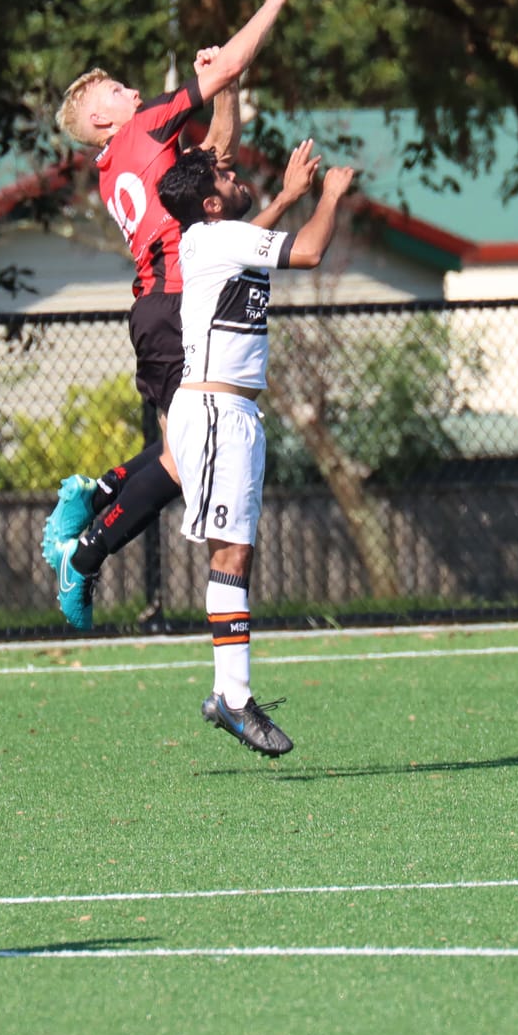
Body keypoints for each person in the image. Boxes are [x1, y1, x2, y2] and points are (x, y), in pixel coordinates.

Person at [58, 144, 352, 755]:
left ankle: (230, 693)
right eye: (224, 175)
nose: (235, 173)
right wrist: (327, 198)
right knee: (231, 555)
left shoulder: (210, 240)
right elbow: (311, 251)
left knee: (236, 553)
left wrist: (288, 198)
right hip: (217, 411)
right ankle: (234, 698)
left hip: (229, 411)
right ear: (212, 203)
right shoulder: (217, 240)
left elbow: (250, 237)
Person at [44, 0, 297, 629]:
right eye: (118, 90)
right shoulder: (141, 129)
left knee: (179, 459)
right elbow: (231, 58)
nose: (135, 90)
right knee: (184, 463)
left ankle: (91, 497)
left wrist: (229, 90)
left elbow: (215, 155)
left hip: (167, 311)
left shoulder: (123, 161)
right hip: (175, 311)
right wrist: (272, 2)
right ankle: (87, 550)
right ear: (101, 116)